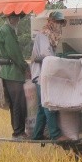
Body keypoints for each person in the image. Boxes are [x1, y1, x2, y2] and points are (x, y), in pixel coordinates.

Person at [30, 10, 69, 141]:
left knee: (42, 107)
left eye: (61, 22)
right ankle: (55, 134)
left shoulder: (51, 37)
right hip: (41, 75)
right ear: (50, 22)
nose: (59, 25)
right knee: (48, 104)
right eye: (57, 22)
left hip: (43, 74)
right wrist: (59, 60)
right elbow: (46, 56)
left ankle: (37, 135)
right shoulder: (44, 35)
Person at [0, 13, 30, 139]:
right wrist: (24, 66)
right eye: (16, 18)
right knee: (19, 103)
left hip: (8, 71)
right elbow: (14, 52)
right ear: (10, 18)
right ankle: (19, 132)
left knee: (15, 104)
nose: (18, 20)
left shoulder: (4, 30)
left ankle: (18, 131)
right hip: (13, 72)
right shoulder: (8, 31)